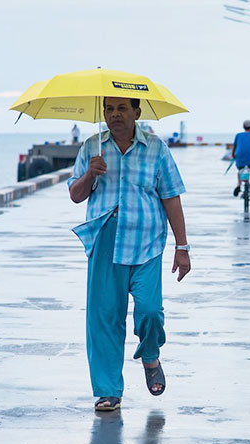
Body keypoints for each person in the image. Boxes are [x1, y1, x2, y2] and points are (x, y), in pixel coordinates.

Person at [68, 96, 191, 411]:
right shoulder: (92, 148)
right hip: (105, 240)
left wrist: (182, 247)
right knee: (104, 318)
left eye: (122, 109)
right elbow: (75, 196)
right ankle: (108, 390)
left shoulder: (155, 149)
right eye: (108, 109)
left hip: (147, 241)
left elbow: (172, 197)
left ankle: (150, 356)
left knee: (150, 311)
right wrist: (90, 175)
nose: (114, 115)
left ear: (137, 112)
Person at [232, 120, 250, 196]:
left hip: (240, 159)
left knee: (240, 170)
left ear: (243, 127)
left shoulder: (238, 135)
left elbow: (234, 147)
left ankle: (239, 184)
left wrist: (233, 155)